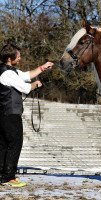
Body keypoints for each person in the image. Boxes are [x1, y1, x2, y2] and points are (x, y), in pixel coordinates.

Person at [0, 43, 53, 187]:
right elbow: (26, 87)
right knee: (15, 143)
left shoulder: (9, 71)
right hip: (10, 114)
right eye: (18, 55)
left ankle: (2, 175)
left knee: (4, 144)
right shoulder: (8, 73)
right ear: (10, 58)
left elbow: (26, 75)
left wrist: (43, 67)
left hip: (5, 113)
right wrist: (36, 84)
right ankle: (8, 177)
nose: (20, 57)